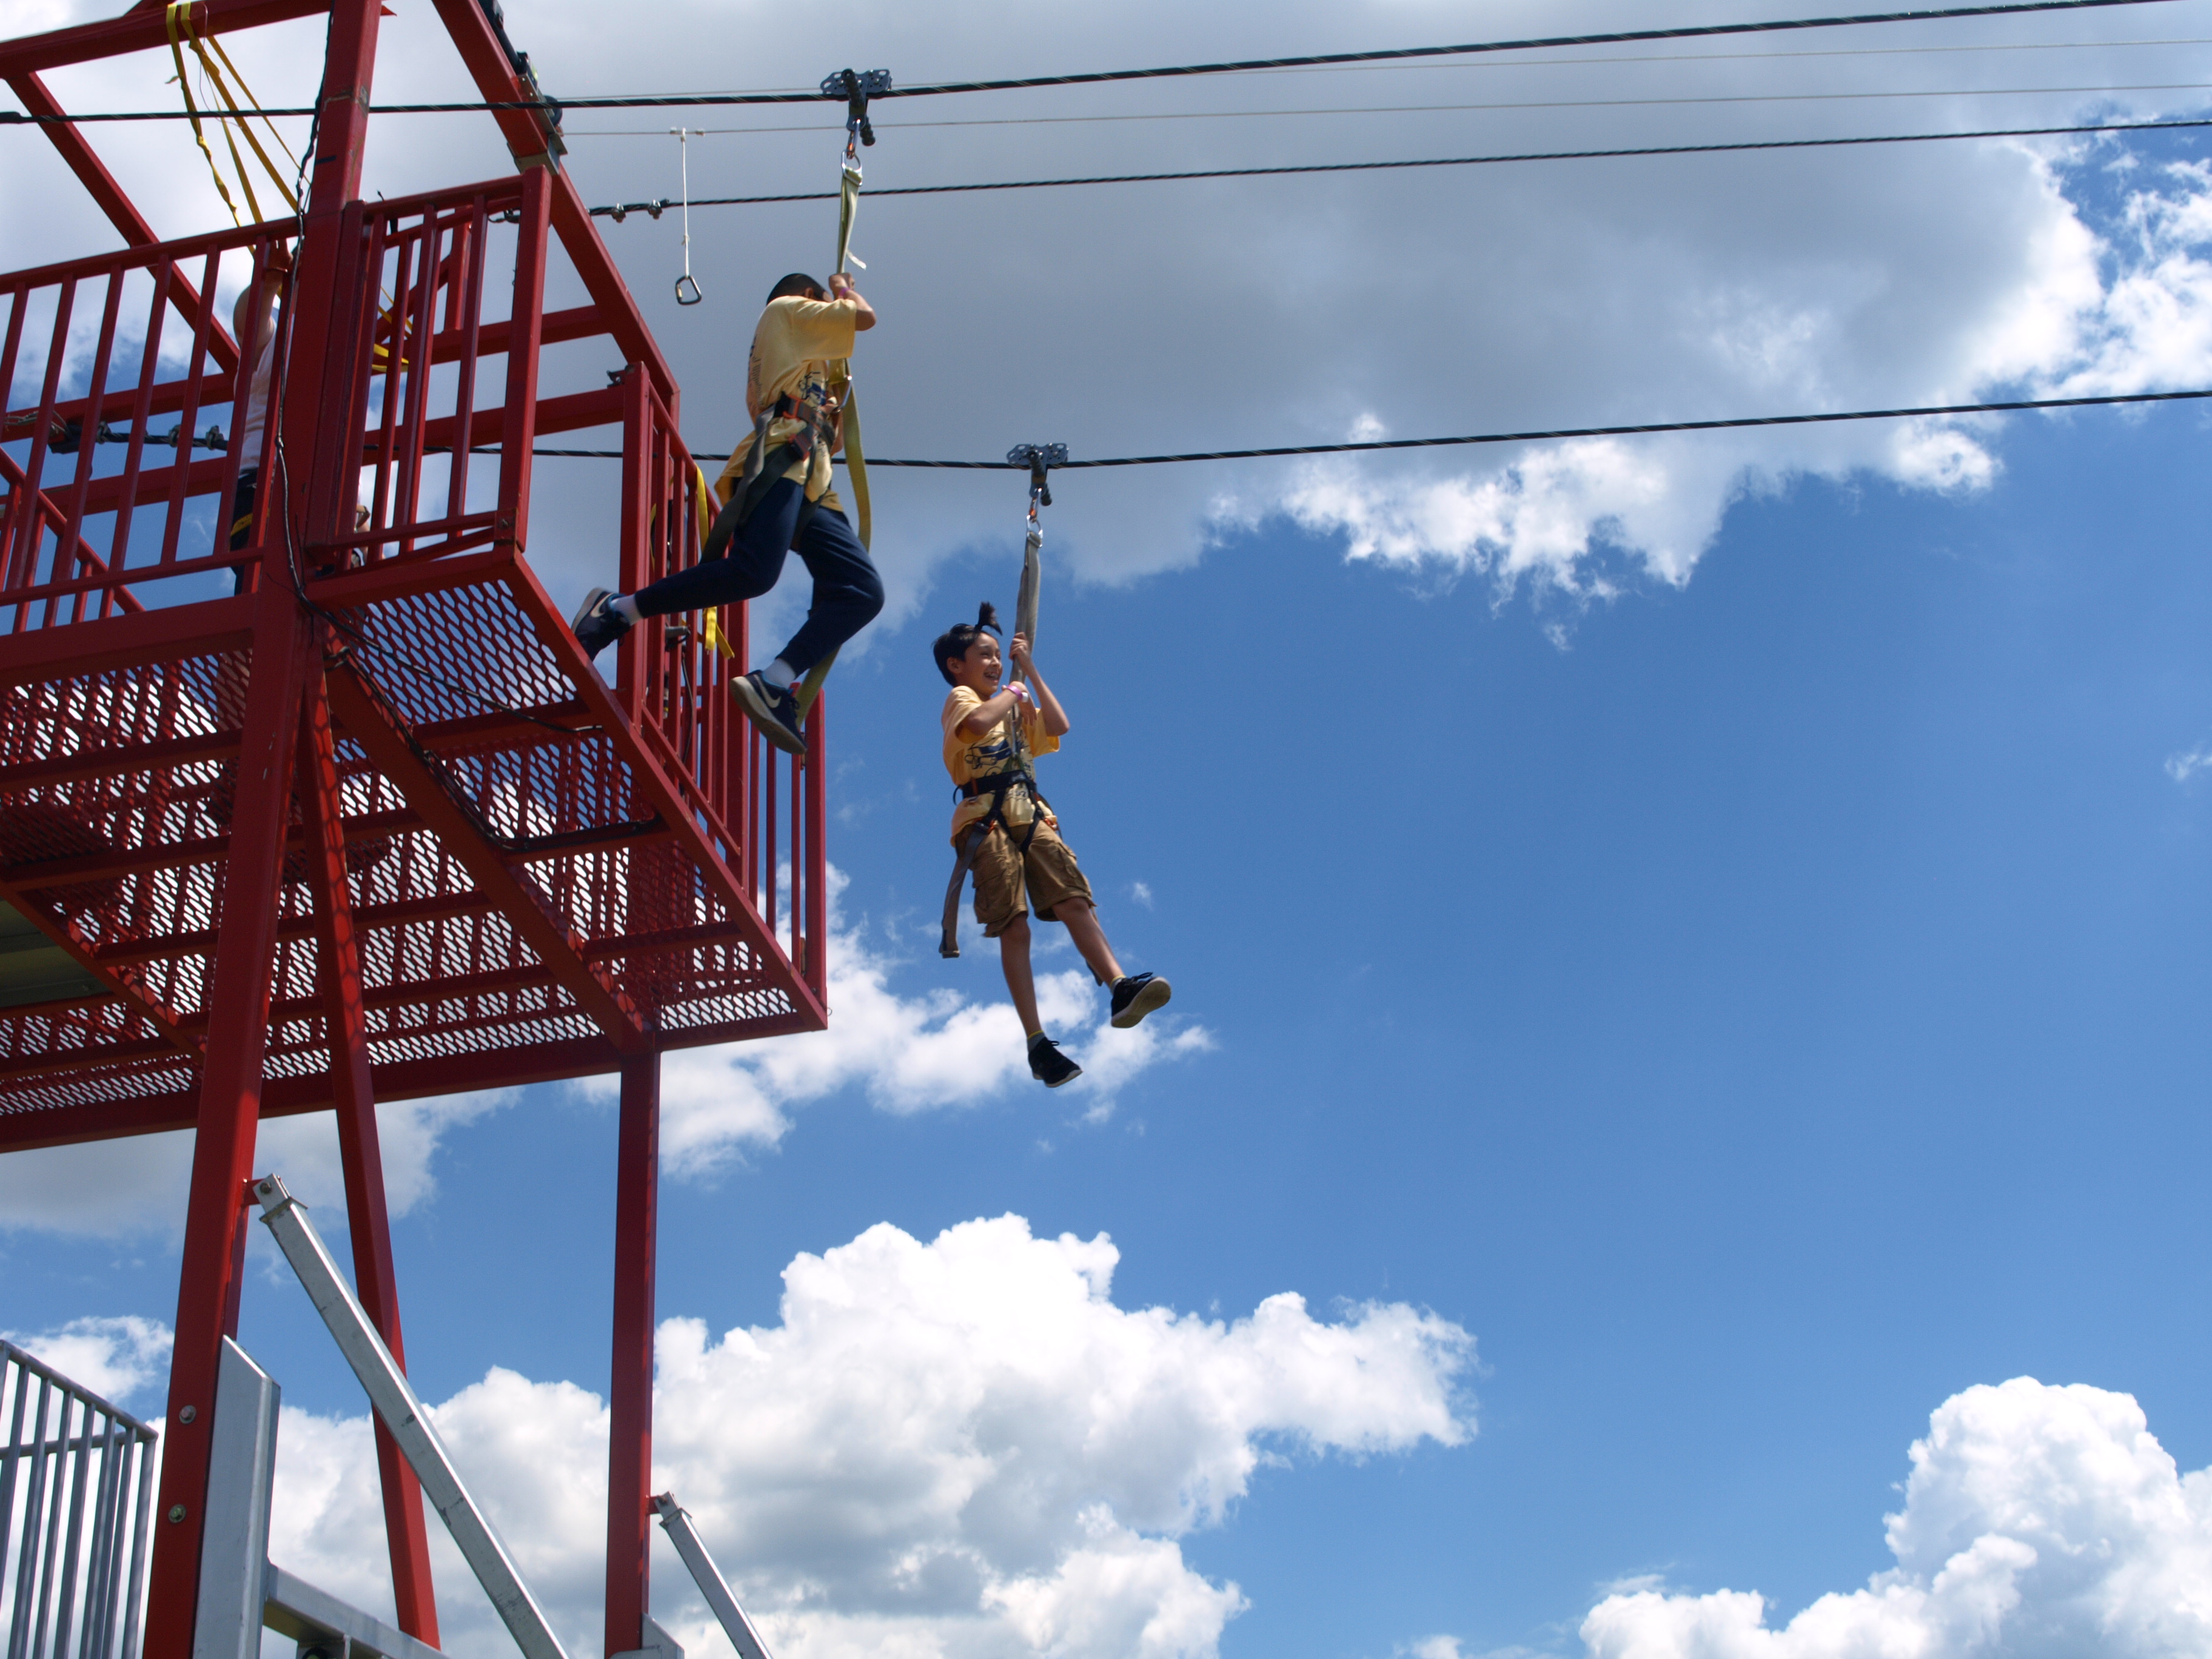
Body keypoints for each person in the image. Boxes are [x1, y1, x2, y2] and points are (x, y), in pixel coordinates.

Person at [570, 270, 885, 756]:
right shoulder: (784, 310)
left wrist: (834, 393)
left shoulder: (804, 357)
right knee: (753, 574)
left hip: (813, 480)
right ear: (809, 300)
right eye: (823, 306)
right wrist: (841, 287)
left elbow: (836, 439)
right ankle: (617, 610)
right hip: (784, 459)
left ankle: (775, 682)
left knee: (863, 591)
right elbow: (865, 316)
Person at [935, 602, 1170, 1088]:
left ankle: (1119, 985)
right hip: (985, 819)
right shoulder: (963, 697)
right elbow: (977, 727)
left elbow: (1059, 726)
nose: (996, 662)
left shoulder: (1014, 702)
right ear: (958, 666)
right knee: (1014, 926)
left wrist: (1031, 672)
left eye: (1000, 654)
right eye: (985, 654)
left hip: (1030, 811)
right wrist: (1015, 688)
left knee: (1073, 898)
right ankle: (1037, 1041)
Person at [226, 244, 289, 586]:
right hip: (260, 481)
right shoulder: (273, 337)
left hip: (318, 491)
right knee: (261, 586)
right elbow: (248, 321)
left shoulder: (339, 348)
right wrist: (269, 283)